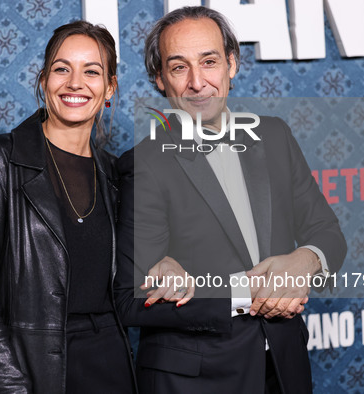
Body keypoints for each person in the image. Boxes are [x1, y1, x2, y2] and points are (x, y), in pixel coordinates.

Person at [114, 6, 347, 394]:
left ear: (231, 64)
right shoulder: (144, 165)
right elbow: (130, 299)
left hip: (285, 367)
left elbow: (328, 233)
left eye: (209, 62)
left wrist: (305, 261)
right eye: (178, 67)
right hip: (197, 379)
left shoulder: (274, 136)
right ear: (159, 79)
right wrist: (249, 292)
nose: (197, 82)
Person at [0, 21, 137, 394]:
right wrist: (11, 387)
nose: (75, 83)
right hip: (30, 369)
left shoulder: (117, 175)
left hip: (111, 365)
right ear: (43, 79)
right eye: (62, 68)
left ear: (110, 87)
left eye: (92, 71)